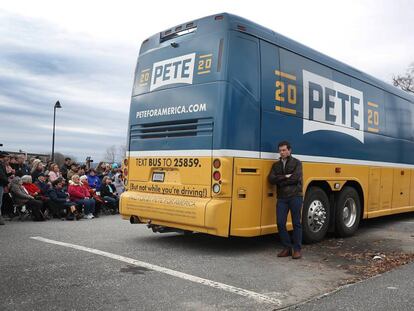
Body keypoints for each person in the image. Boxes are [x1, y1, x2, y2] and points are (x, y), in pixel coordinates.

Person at [268, 141, 303, 259]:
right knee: (280, 223)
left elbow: (295, 178)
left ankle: (297, 249)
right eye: (280, 150)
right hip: (282, 198)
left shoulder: (297, 163)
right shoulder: (275, 165)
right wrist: (285, 176)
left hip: (295, 196)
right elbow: (271, 179)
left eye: (284, 150)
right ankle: (287, 247)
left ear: (289, 150)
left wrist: (281, 181)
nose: (282, 152)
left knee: (296, 223)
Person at [0, 151, 11, 225]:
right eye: (7, 157)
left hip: (1, 184)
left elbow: (4, 175)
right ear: (2, 157)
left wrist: (10, 173)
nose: (8, 158)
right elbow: (1, 175)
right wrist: (8, 182)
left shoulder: (2, 164)